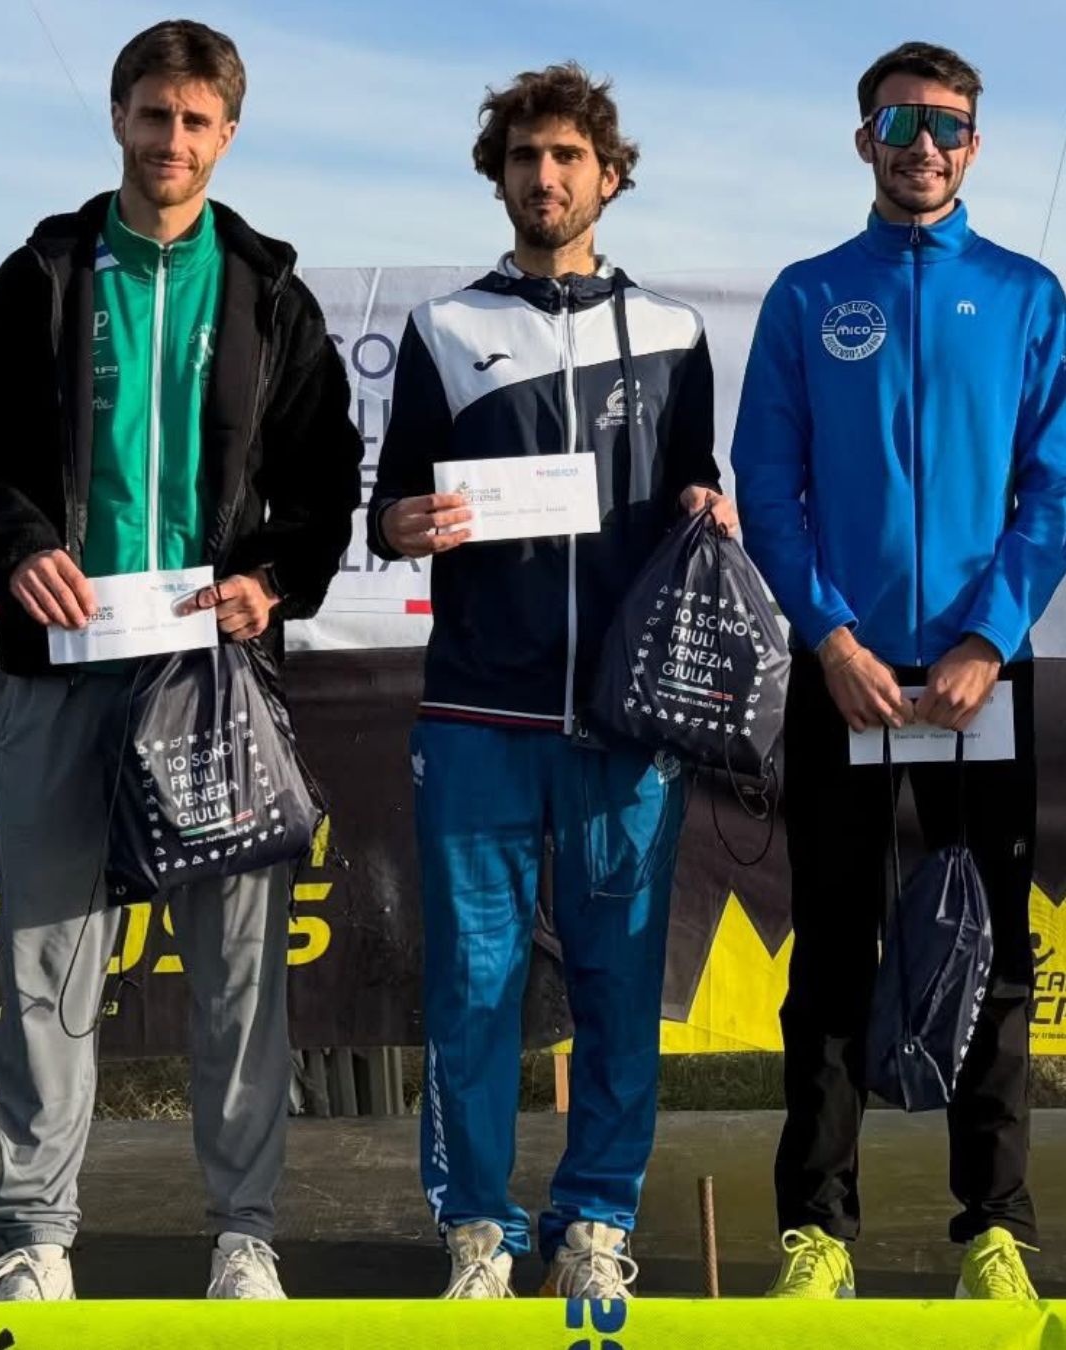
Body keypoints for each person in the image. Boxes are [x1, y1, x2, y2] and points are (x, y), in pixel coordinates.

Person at [0, 19, 361, 1300]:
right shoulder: (39, 276)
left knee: (241, 970)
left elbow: (325, 482)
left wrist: (270, 581)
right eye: (155, 115)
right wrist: (17, 546)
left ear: (228, 135)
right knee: (43, 960)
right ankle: (34, 1236)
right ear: (118, 119)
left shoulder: (269, 295)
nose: (173, 140)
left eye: (198, 121)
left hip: (211, 686)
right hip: (59, 672)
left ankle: (244, 1235)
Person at [367, 61, 736, 1301]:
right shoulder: (444, 328)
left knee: (619, 987)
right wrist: (403, 523)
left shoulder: (677, 334)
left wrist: (708, 505)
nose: (545, 174)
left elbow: (696, 485)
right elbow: (391, 506)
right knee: (473, 988)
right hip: (479, 711)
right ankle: (477, 1228)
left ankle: (595, 1223)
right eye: (525, 156)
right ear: (500, 177)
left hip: (627, 723)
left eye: (568, 155)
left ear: (609, 177)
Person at [732, 41, 1066, 1299]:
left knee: (997, 955)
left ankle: (996, 1229)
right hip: (847, 677)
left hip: (982, 680)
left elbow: (1053, 489)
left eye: (946, 125)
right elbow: (769, 484)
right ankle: (817, 1233)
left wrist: (986, 639)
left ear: (974, 145)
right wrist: (831, 639)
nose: (922, 145)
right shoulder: (808, 295)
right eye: (898, 122)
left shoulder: (1028, 296)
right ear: (862, 138)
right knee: (832, 950)